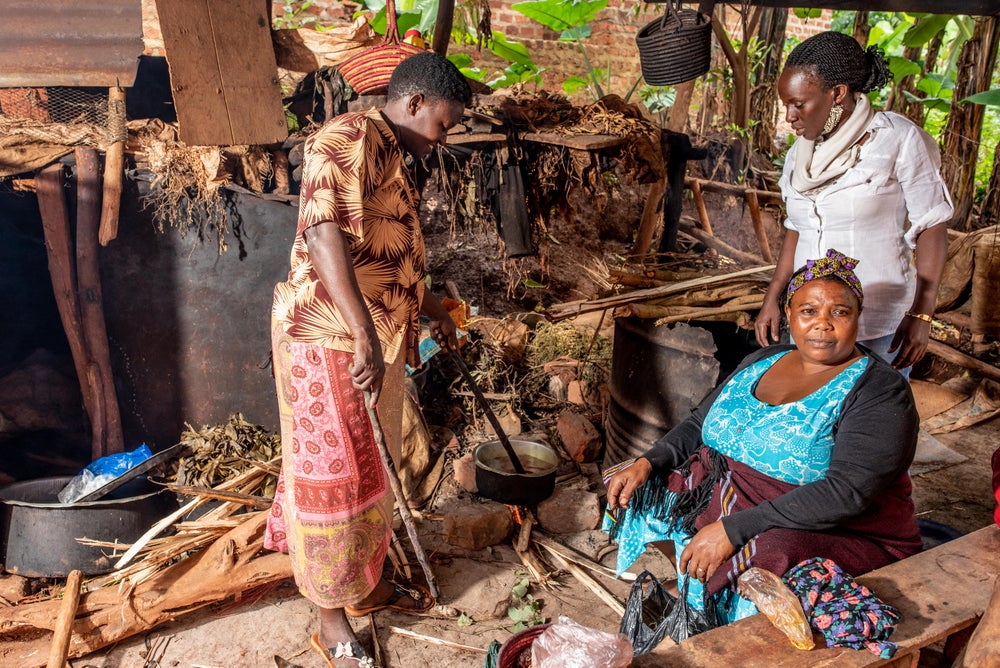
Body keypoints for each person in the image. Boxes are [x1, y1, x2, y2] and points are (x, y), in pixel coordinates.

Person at [264, 52, 471, 668]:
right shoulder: (347, 138)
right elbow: (323, 233)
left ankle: (364, 590)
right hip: (329, 338)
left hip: (371, 342)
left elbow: (386, 265)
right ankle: (330, 621)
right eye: (445, 122)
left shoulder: (393, 156)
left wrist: (433, 307)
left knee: (368, 475)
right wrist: (360, 334)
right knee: (331, 478)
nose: (446, 135)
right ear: (413, 103)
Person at [605, 250, 923, 629]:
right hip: (736, 493)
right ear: (789, 314)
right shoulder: (766, 358)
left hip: (832, 523)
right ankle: (691, 584)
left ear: (857, 318)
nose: (823, 324)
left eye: (840, 312)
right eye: (809, 311)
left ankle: (728, 620)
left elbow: (846, 492)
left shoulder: (879, 391)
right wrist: (647, 461)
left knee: (768, 552)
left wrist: (732, 529)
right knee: (638, 484)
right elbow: (698, 423)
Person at [756, 31, 953, 374]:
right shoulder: (798, 156)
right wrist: (774, 295)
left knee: (870, 419)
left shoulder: (896, 140)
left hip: (877, 324)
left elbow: (931, 224)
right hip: (807, 323)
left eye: (799, 104)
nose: (789, 116)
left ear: (837, 94)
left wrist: (922, 313)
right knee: (808, 418)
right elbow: (796, 229)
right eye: (786, 104)